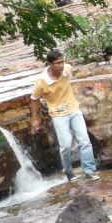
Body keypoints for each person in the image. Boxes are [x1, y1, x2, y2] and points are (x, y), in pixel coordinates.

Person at [30, 49, 100, 182]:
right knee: (66, 146)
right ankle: (68, 172)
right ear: (50, 64)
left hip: (74, 110)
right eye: (57, 63)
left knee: (84, 141)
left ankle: (89, 171)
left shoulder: (67, 69)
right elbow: (34, 99)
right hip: (58, 114)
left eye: (62, 62)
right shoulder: (41, 82)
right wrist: (35, 118)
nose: (61, 65)